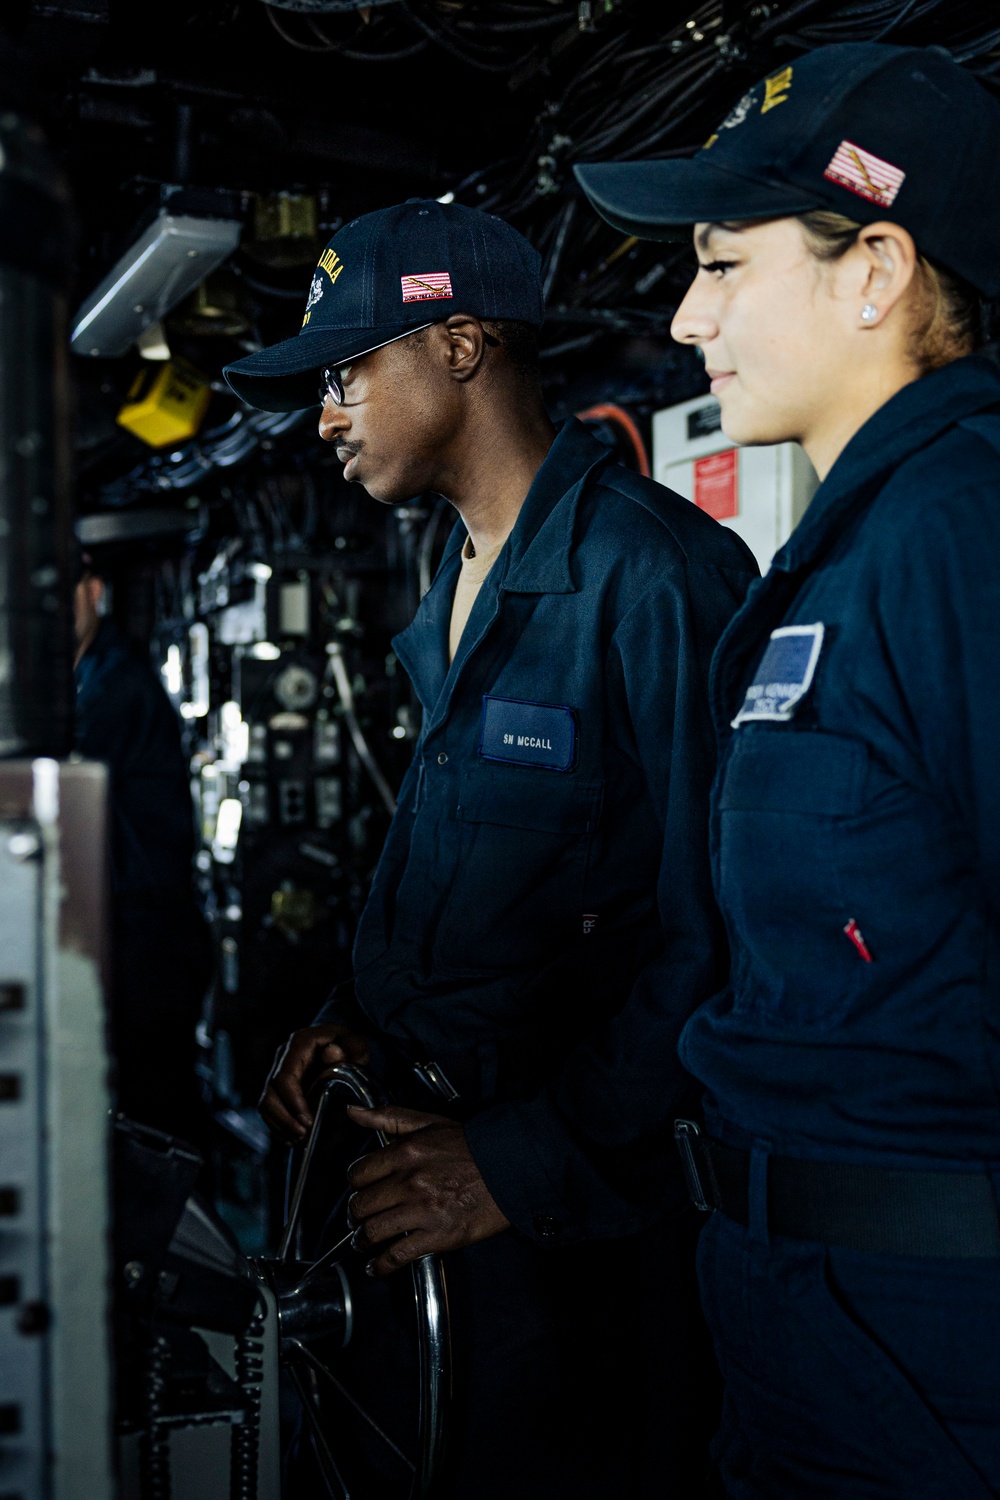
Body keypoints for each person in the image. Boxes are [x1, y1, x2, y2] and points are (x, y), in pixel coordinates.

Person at [224, 198, 758, 1497]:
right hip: (447, 1197)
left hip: (589, 1237)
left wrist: (519, 1163)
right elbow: (482, 877)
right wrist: (363, 1015)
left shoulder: (652, 574)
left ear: (459, 347)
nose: (327, 417)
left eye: (349, 374)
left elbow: (720, 935)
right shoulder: (451, 585)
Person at [576, 40, 1000, 1500]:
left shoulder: (961, 533)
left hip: (932, 1340)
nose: (686, 313)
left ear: (874, 268)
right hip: (799, 1311)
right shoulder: (839, 555)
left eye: (721, 264)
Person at [74, 560, 211, 1145]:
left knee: (152, 1136)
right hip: (130, 948)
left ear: (95, 590)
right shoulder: (86, 678)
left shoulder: (114, 687)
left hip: (145, 954)